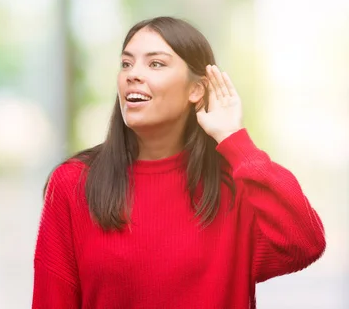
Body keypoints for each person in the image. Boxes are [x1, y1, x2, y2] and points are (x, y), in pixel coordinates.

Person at [32, 16, 326, 309]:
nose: (133, 74)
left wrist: (234, 139)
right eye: (126, 63)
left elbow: (304, 242)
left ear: (196, 90)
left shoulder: (234, 186)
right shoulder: (73, 182)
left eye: (155, 64)